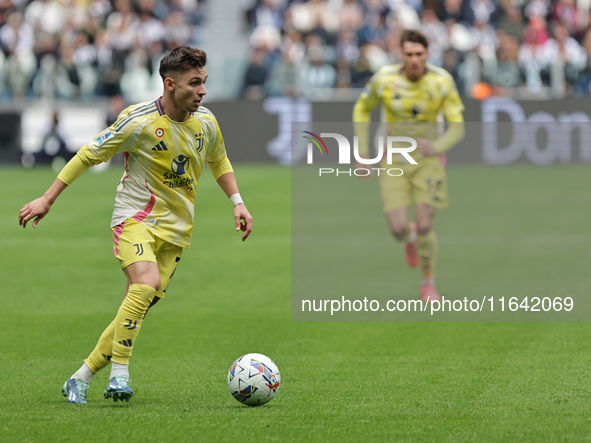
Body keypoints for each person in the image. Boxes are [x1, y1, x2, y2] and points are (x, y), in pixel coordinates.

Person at [18, 46, 253, 403]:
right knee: (144, 286)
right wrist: (47, 198)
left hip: (177, 231)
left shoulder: (206, 121)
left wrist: (238, 202)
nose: (203, 91)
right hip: (135, 218)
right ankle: (119, 375)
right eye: (195, 84)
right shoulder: (137, 120)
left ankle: (80, 377)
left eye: (204, 82)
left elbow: (219, 161)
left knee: (139, 304)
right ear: (170, 84)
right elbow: (88, 154)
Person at [352, 29, 465, 303]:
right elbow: (362, 108)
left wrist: (437, 147)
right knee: (398, 229)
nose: (414, 59)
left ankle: (428, 284)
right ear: (400, 55)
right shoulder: (385, 79)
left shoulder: (441, 81)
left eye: (419, 54)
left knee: (426, 225)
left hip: (428, 161)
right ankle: (409, 236)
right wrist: (363, 152)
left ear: (427, 54)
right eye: (409, 54)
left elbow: (458, 126)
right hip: (394, 159)